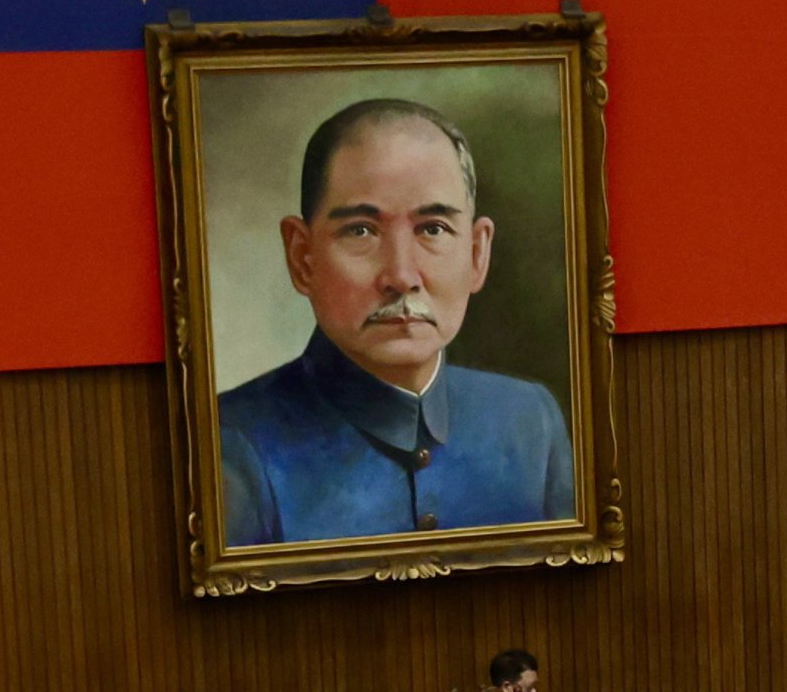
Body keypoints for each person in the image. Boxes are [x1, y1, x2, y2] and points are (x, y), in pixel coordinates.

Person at [218, 97, 574, 547]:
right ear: (303, 257)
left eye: (433, 229)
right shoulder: (229, 444)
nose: (401, 276)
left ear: (477, 253)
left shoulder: (530, 421)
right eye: (361, 231)